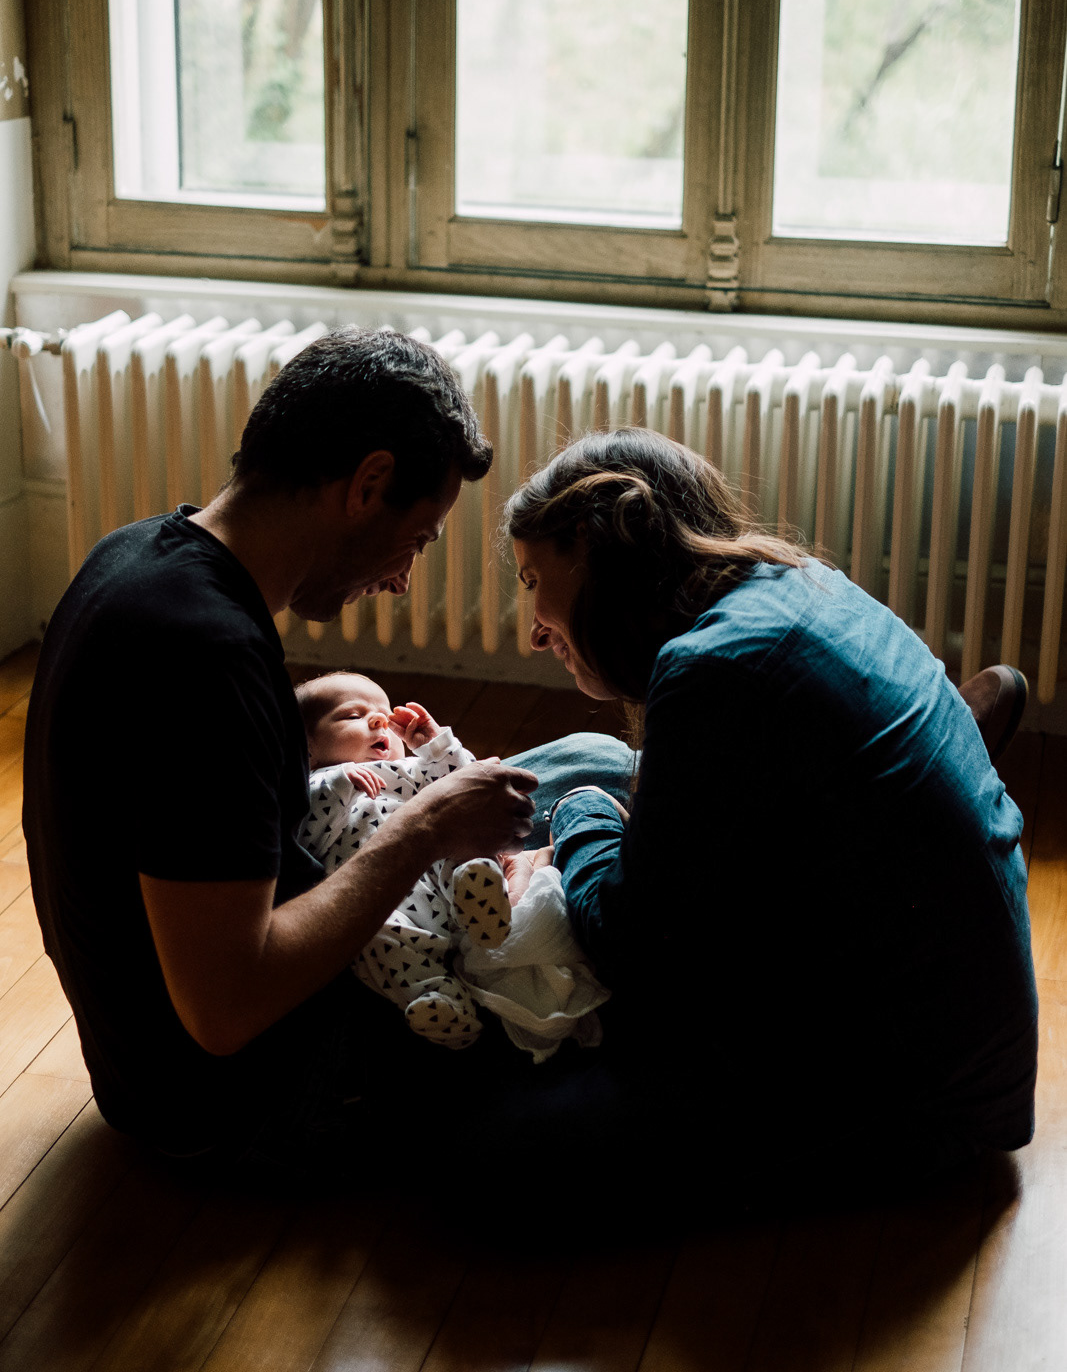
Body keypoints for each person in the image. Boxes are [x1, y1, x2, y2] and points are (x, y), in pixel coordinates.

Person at [24, 327, 605, 1176]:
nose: (403, 578)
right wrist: (418, 827)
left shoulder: (139, 556)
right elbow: (224, 1009)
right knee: (595, 797)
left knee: (581, 763)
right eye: (418, 537)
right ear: (367, 484)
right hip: (244, 1102)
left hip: (148, 1072)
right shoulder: (206, 657)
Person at [502, 427, 1038, 1190]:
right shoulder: (793, 581)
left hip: (921, 1101)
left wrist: (584, 816)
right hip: (958, 1042)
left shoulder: (707, 670)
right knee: (597, 767)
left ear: (594, 552)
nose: (531, 631)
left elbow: (629, 947)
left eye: (531, 580)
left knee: (495, 1151)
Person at [296, 670, 609, 1059]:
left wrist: (437, 746)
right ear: (305, 745)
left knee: (470, 853)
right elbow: (309, 836)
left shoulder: (406, 771)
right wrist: (339, 782)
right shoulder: (316, 786)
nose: (378, 720)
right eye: (352, 715)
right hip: (384, 901)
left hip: (440, 870)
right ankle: (437, 998)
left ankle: (480, 904)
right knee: (382, 945)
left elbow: (472, 783)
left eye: (382, 712)